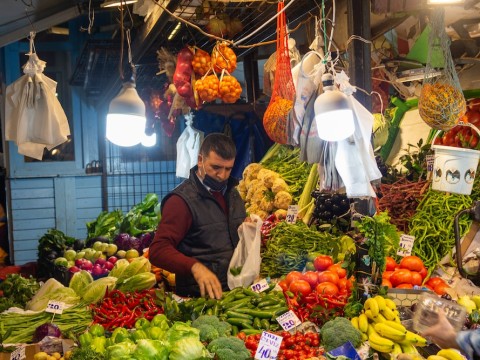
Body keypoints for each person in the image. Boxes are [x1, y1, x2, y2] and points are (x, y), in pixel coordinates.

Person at [149, 133, 246, 299]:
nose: (222, 175)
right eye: (215, 167)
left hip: (236, 296)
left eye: (228, 169)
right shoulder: (180, 201)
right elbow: (158, 250)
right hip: (198, 299)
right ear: (200, 160)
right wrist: (194, 267)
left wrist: (247, 229)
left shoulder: (233, 193)